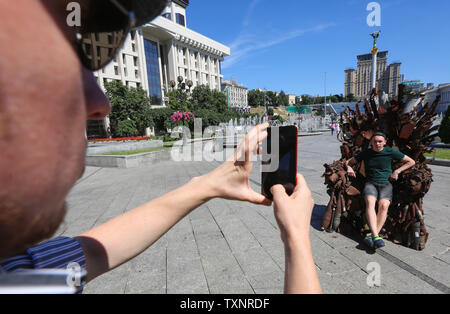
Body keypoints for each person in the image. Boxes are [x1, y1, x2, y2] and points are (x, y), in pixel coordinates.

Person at [0, 0, 321, 294]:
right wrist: (296, 238)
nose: (101, 102)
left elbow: (93, 251)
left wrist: (207, 184)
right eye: (55, 48)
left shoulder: (16, 277)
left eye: (96, 54)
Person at [345, 132, 416, 249]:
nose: (377, 143)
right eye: (375, 141)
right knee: (370, 202)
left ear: (385, 142)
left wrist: (397, 171)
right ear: (371, 142)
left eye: (380, 141)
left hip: (386, 184)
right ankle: (376, 236)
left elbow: (411, 162)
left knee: (383, 206)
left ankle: (372, 236)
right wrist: (349, 167)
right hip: (371, 184)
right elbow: (349, 162)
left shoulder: (390, 151)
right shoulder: (367, 153)